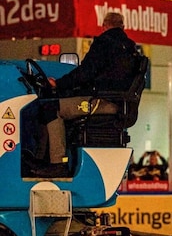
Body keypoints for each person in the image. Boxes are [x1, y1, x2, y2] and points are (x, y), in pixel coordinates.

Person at [34, 12, 141, 178]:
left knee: (50, 108)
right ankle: (46, 160)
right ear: (123, 27)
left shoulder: (104, 43)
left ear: (104, 26)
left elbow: (84, 73)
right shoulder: (132, 48)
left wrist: (59, 84)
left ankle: (55, 163)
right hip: (120, 105)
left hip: (101, 102)